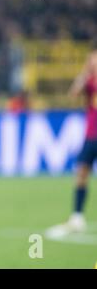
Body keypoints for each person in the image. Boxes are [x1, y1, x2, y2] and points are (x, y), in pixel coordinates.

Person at [46, 51, 97, 237]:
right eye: (91, 61)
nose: (93, 63)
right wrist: (84, 74)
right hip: (91, 135)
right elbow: (73, 94)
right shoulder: (89, 82)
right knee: (82, 173)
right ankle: (77, 217)